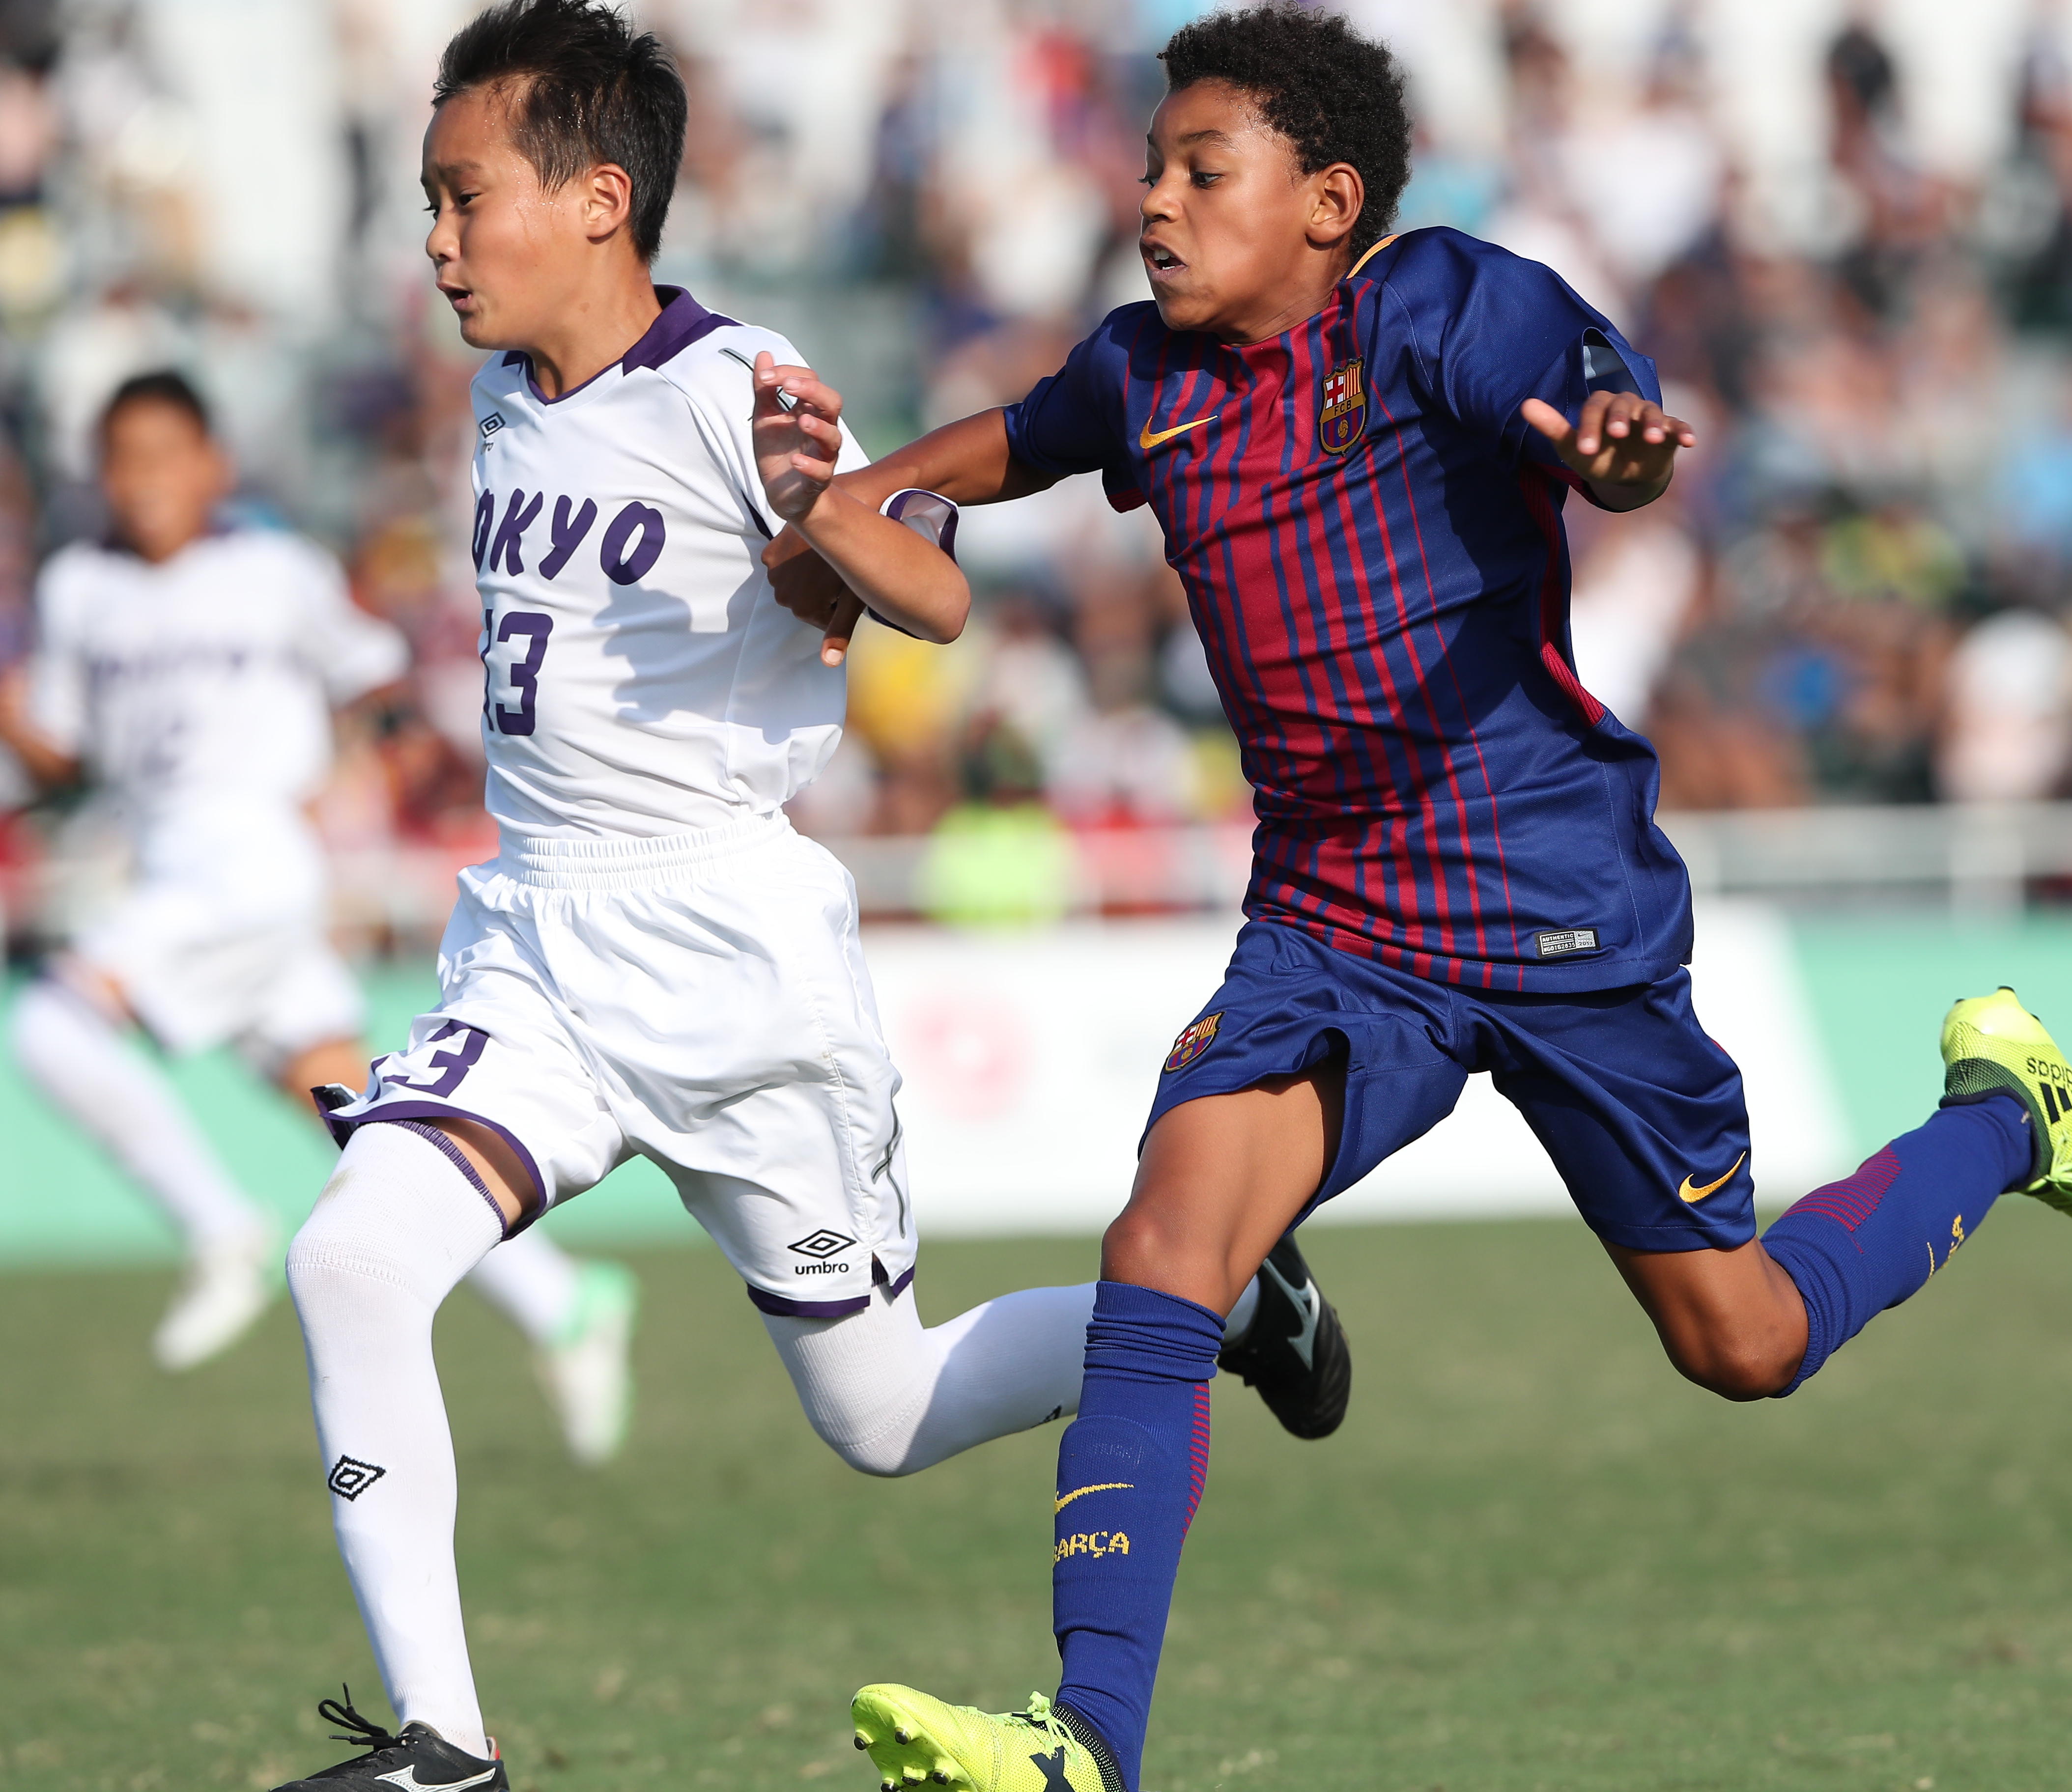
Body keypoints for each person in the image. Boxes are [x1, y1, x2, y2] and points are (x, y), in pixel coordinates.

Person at [775, 12, 2072, 1792]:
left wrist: (1615, 458)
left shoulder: (1437, 304)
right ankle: (1083, 1739)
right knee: (1161, 1245)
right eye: (1151, 169)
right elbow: (1020, 437)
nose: (1156, 201)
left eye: (1203, 170)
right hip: (1334, 926)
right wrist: (877, 488)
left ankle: (2006, 1114)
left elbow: (1596, 417)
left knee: (1743, 1340)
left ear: (1328, 200)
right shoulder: (1143, 372)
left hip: (1555, 899)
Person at [262, 7, 1347, 1787]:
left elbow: (932, 599)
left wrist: (826, 517)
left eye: (466, 197)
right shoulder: (498, 394)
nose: (438, 239)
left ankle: (1225, 1310)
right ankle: (444, 1745)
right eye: (431, 202)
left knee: (882, 1412)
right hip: (535, 944)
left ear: (599, 199)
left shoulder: (736, 382)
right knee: (353, 1258)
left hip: (727, 956)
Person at [0, 371, 638, 1466]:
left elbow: (371, 672)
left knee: (51, 1029)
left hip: (251, 863)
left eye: (165, 455)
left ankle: (219, 1231)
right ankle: (564, 1304)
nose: (144, 480)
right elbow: (69, 754)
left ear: (213, 465)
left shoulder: (275, 571)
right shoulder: (78, 590)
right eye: (123, 460)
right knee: (364, 1125)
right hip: (164, 865)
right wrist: (17, 733)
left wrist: (404, 752)